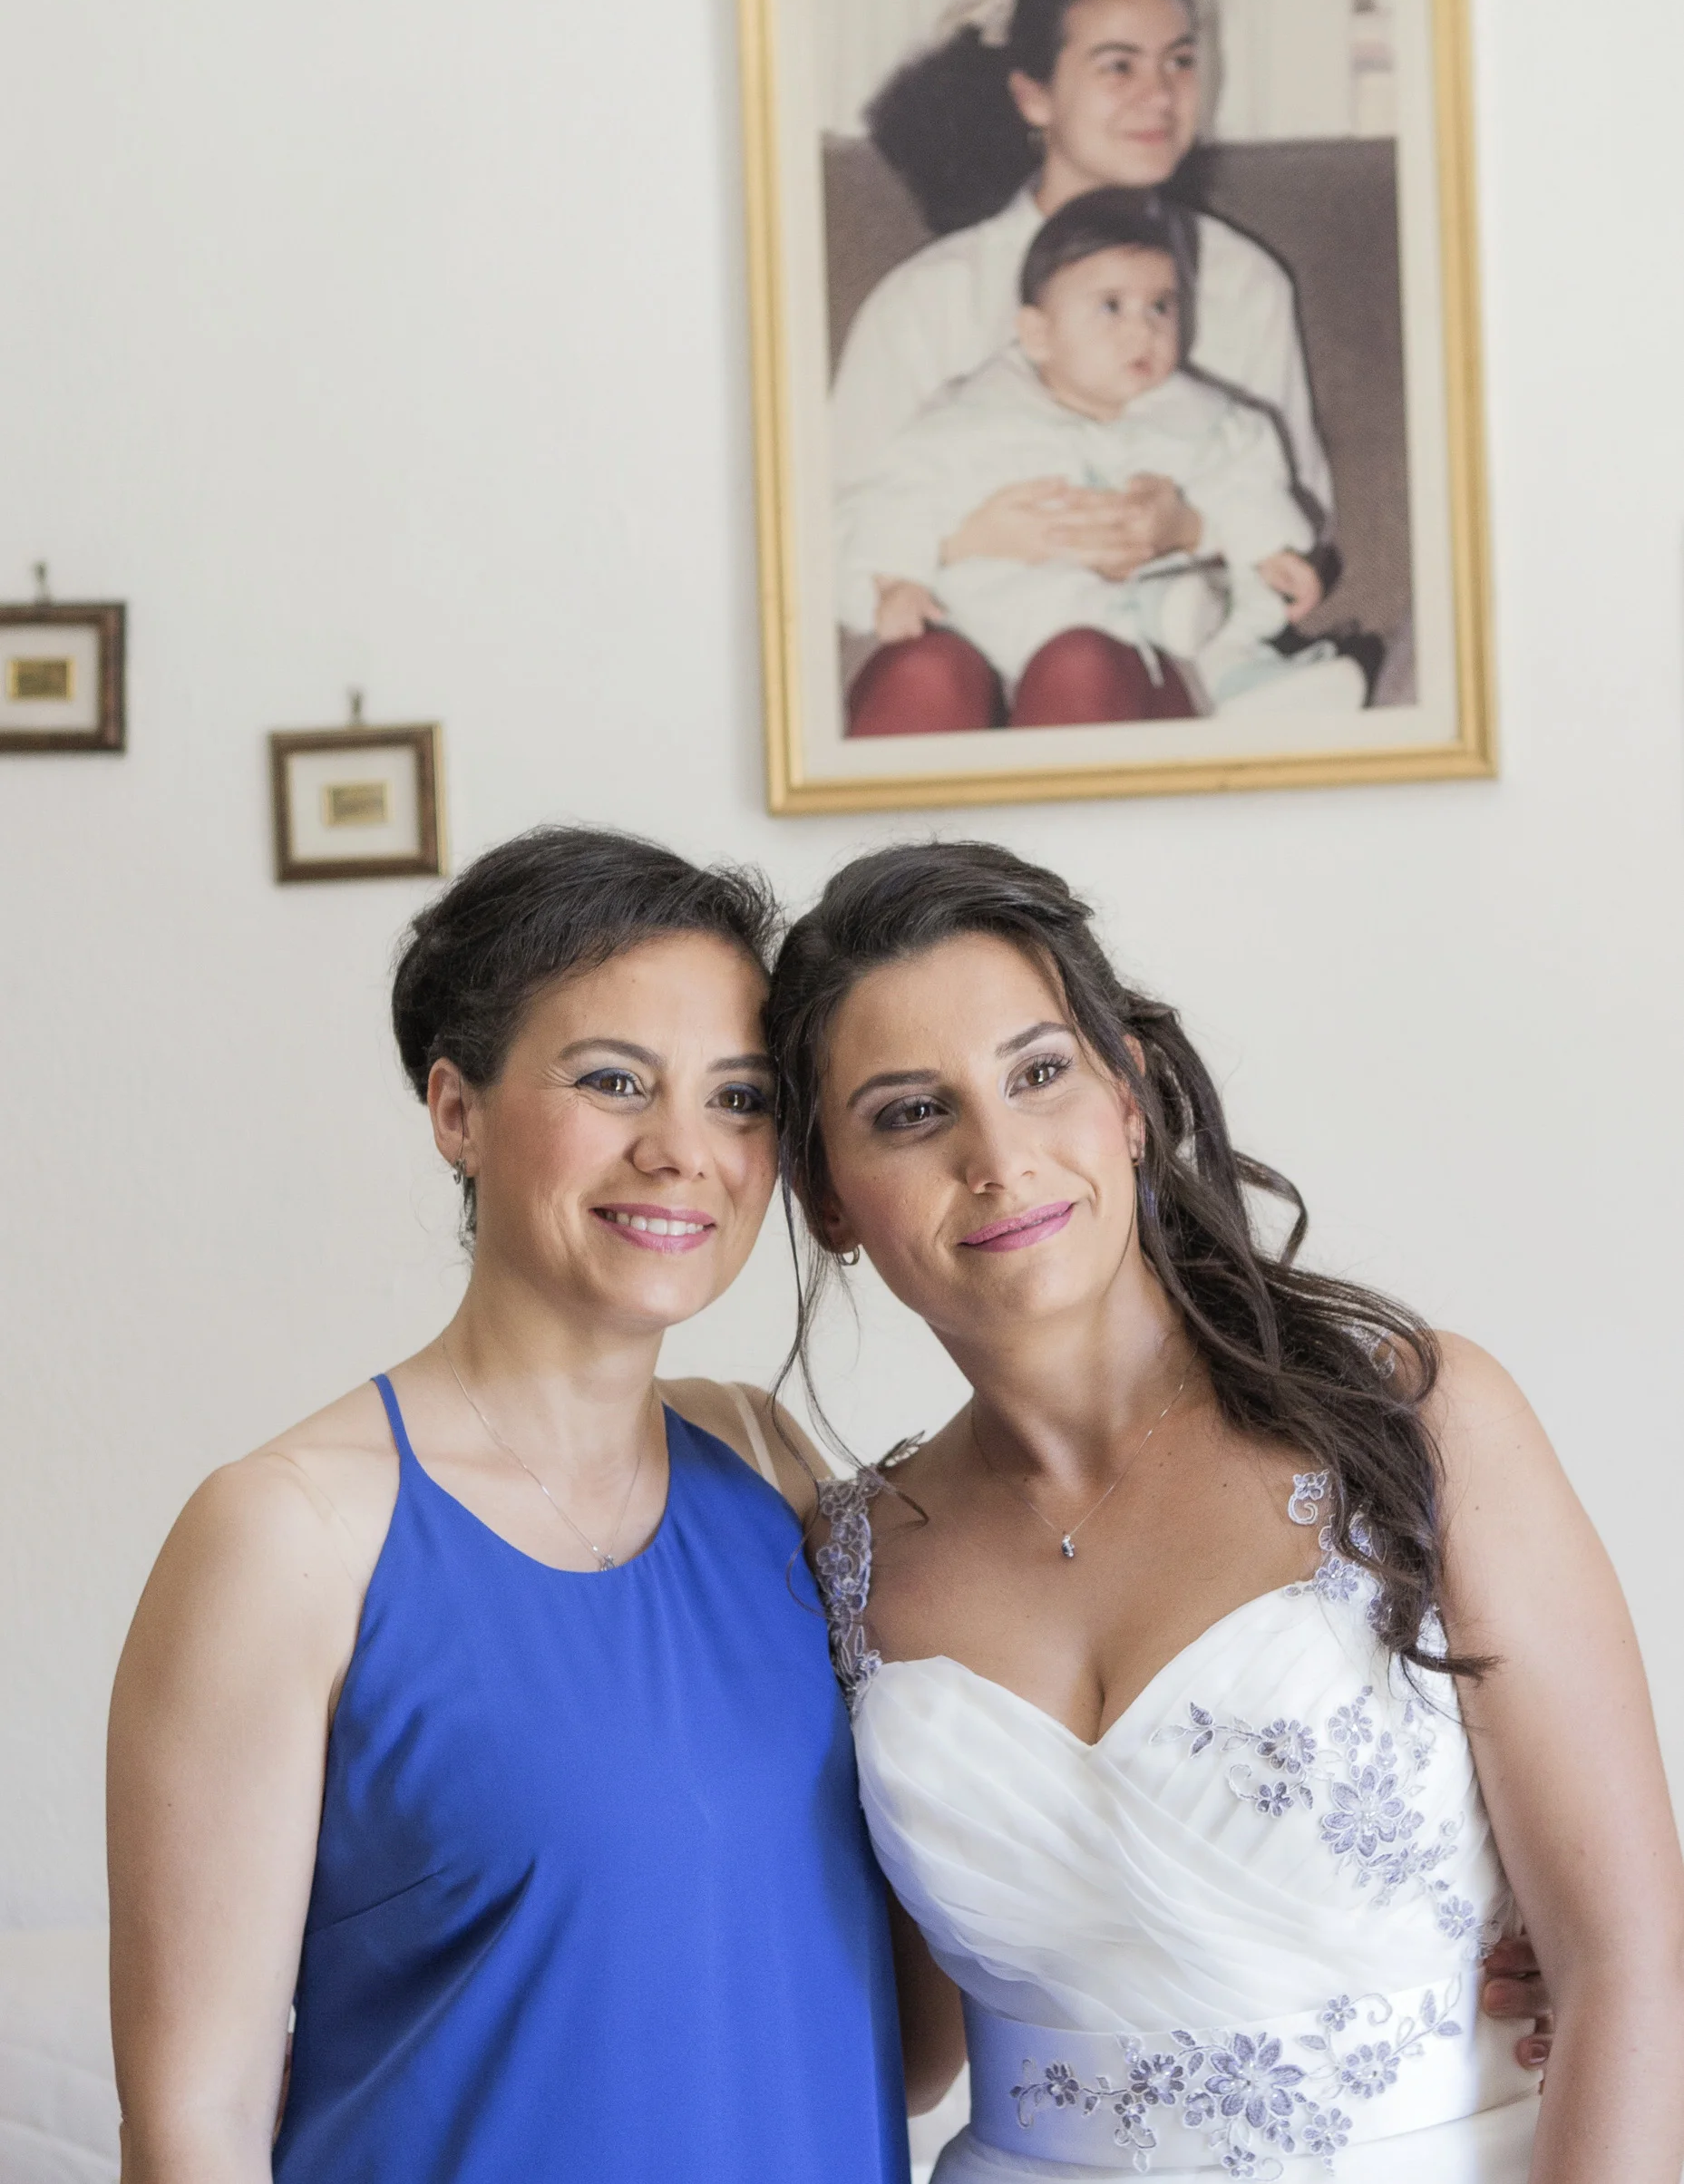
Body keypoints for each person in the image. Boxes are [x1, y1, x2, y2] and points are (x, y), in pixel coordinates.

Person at [765, 840, 1684, 2182]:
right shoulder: (843, 1565)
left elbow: (1630, 1964)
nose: (998, 1157)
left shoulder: (1417, 1426)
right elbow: (896, 2052)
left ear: (1129, 1096)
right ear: (827, 1199)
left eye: (1038, 1073)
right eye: (911, 1113)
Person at [106, 828, 910, 2184]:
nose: (683, 1151)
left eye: (738, 1097)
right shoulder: (288, 1534)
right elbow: (197, 2121)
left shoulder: (765, 1461)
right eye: (612, 1081)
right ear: (456, 1111)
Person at [833, 0, 1335, 736]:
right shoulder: (928, 298)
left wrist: (1189, 528)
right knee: (925, 674)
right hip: (958, 635)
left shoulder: (1243, 285)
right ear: (1034, 96)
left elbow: (1297, 515)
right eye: (1118, 66)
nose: (1159, 95)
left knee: (1081, 664)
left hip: (1152, 652)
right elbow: (823, 541)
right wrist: (965, 540)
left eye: (1179, 61)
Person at [840, 189, 1361, 736]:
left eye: (1161, 307)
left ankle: (1250, 683)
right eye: (1111, 307)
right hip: (990, 616)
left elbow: (1243, 477)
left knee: (1198, 625)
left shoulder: (1195, 417)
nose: (1144, 330)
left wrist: (1266, 547)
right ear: (1038, 334)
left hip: (1139, 642)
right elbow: (903, 494)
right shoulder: (973, 418)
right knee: (940, 667)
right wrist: (897, 581)